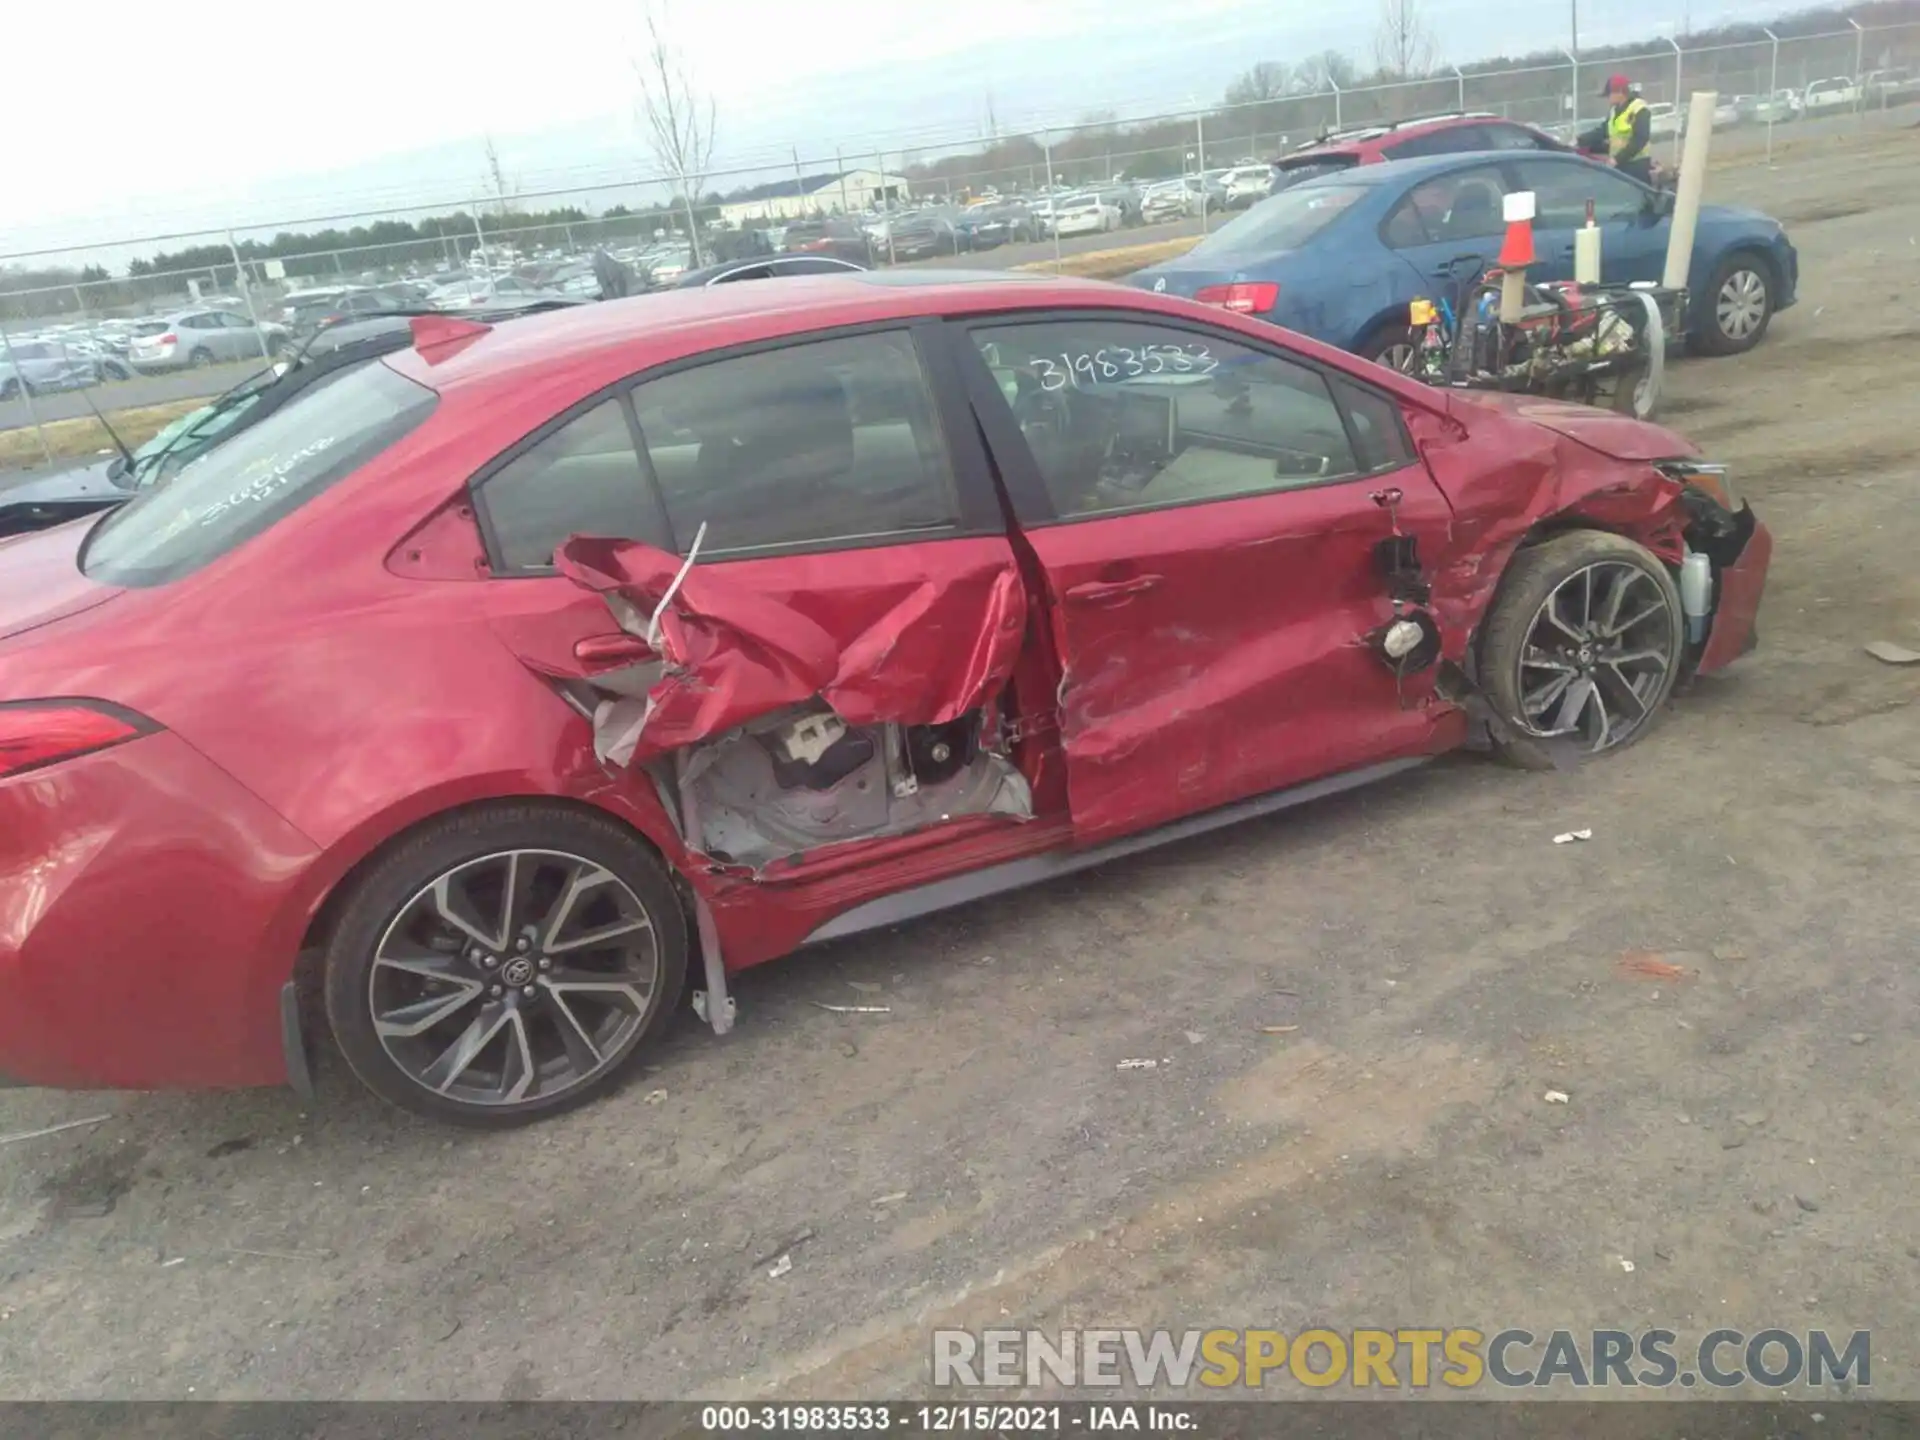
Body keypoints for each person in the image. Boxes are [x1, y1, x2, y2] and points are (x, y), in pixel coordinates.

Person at [1580, 74, 1654, 187]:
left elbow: (1640, 139)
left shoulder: (1639, 109)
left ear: (1620, 92)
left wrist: (1617, 159)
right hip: (1621, 167)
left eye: (1609, 94)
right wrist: (1580, 140)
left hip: (1637, 167)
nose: (1608, 98)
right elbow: (1602, 131)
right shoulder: (1614, 110)